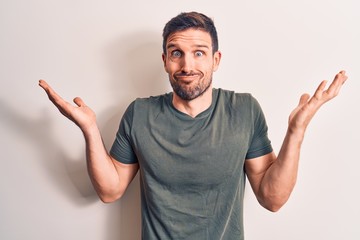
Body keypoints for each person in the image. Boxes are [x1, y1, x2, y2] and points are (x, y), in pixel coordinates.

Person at [39, 11, 347, 240]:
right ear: (165, 60)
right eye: (177, 53)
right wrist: (90, 130)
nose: (187, 65)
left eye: (199, 53)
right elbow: (110, 190)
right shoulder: (140, 113)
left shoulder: (244, 110)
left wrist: (296, 130)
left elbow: (272, 198)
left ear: (216, 59)